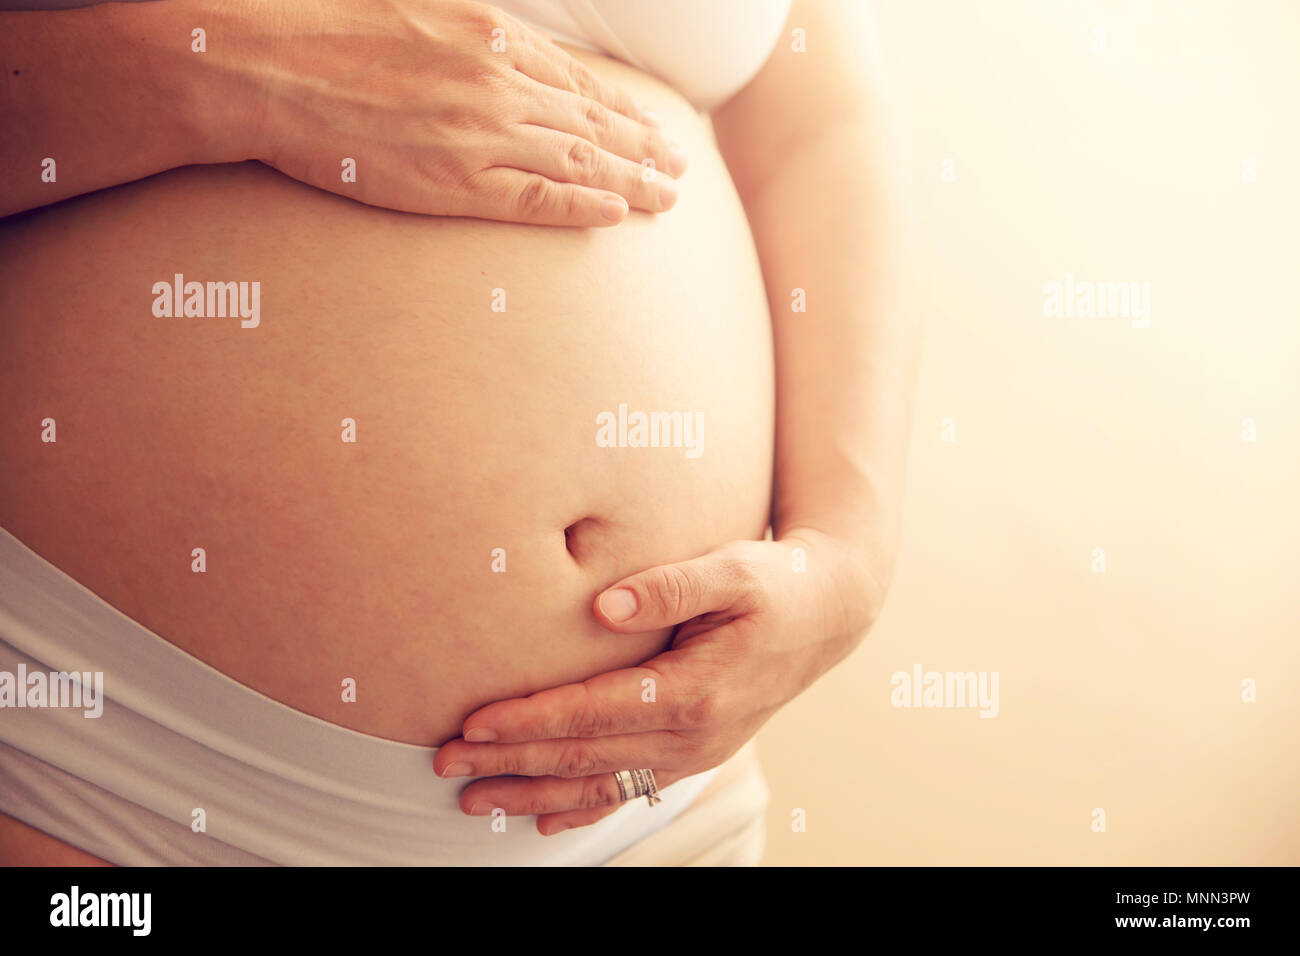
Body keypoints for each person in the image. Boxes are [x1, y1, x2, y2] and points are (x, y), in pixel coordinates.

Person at [0, 0, 918, 864]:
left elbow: (821, 123)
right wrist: (246, 69)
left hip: (651, 807)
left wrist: (849, 556)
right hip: (96, 761)